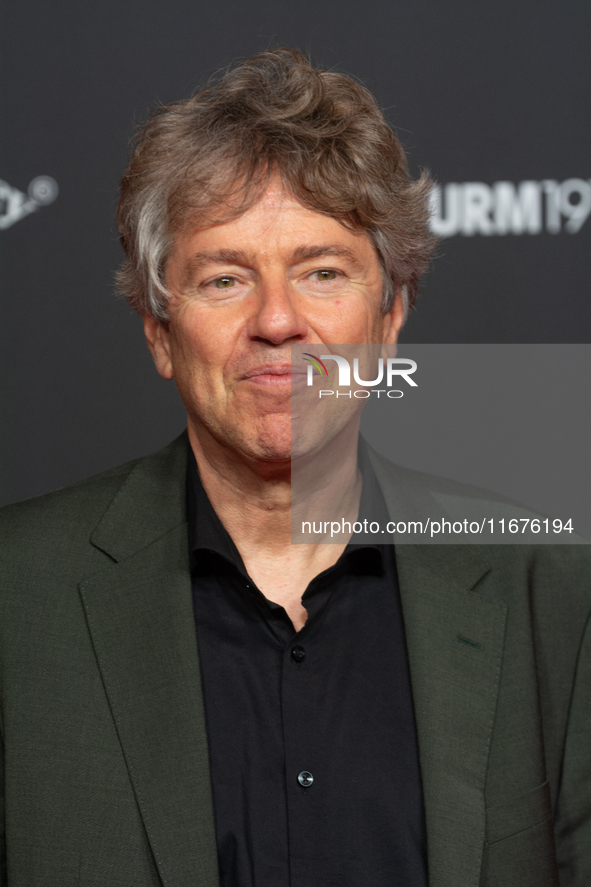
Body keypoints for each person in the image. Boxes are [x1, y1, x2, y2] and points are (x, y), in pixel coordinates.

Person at [0, 48, 589, 887]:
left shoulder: (549, 586)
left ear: (389, 318)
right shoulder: (15, 600)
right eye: (224, 277)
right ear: (159, 331)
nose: (278, 321)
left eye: (321, 271)